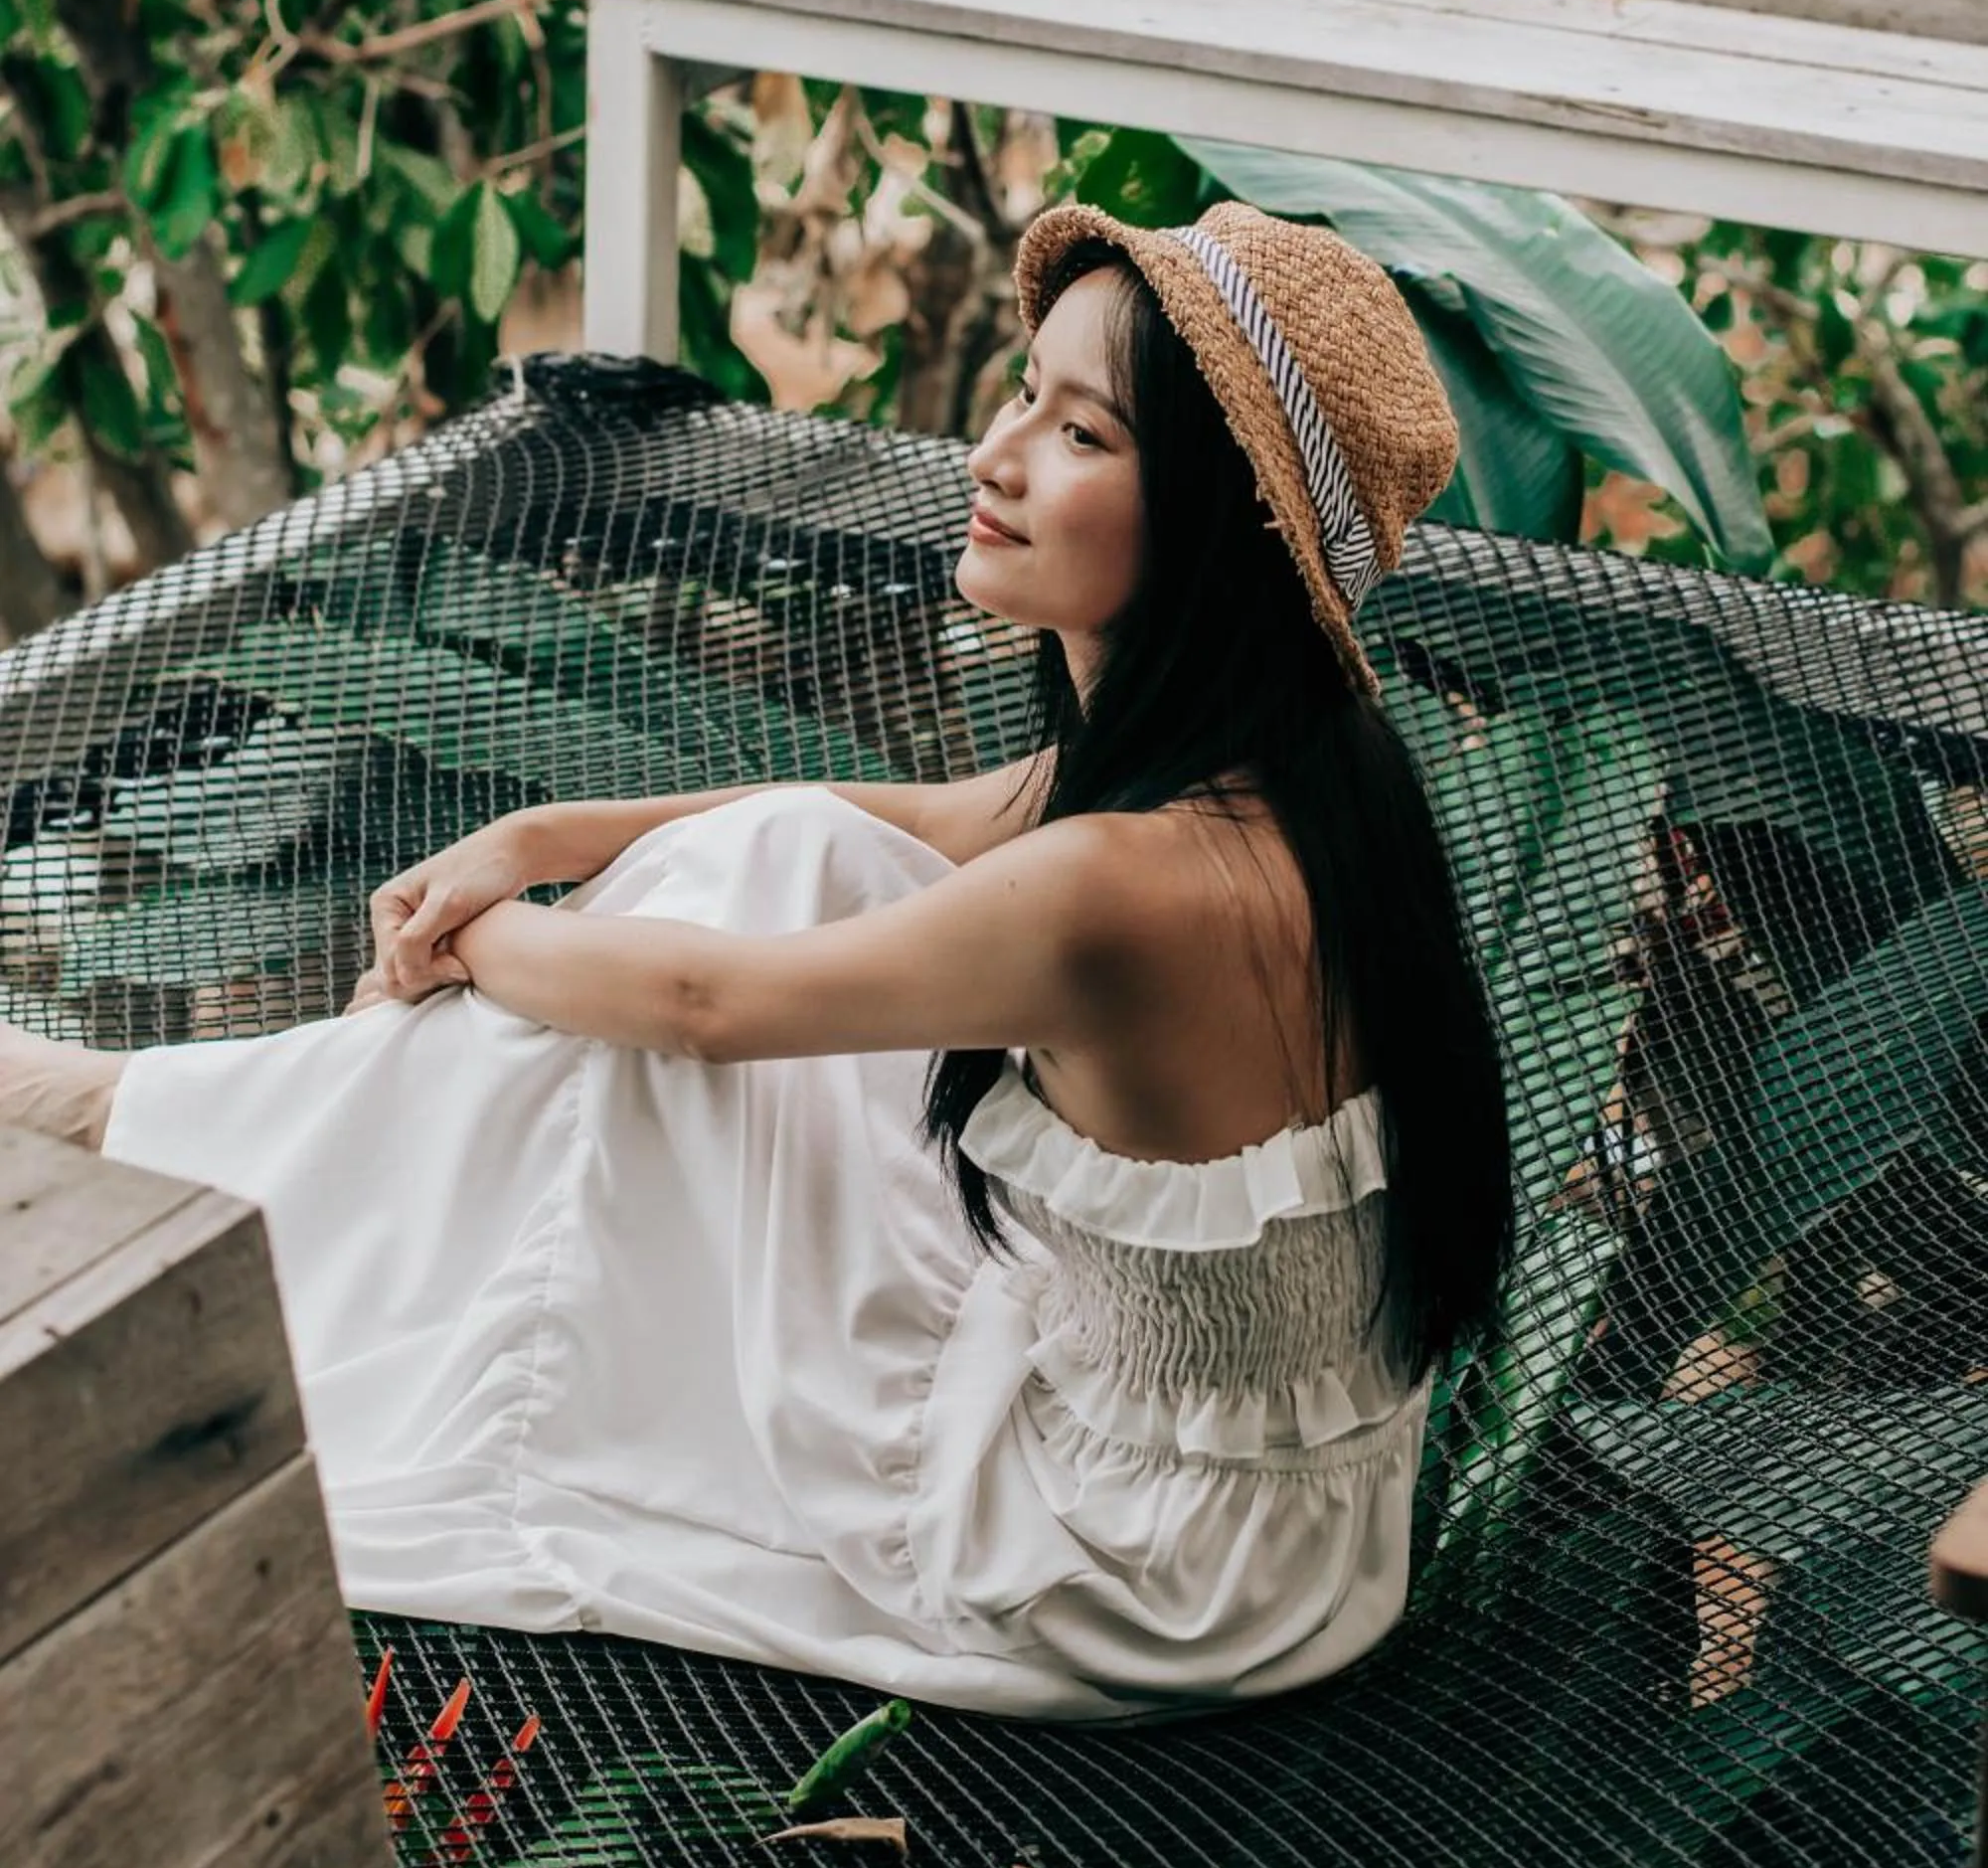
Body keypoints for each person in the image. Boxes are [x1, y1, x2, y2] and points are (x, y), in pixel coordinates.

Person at [0, 202, 1512, 1719]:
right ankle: (175, 1120)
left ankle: (147, 1129)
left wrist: (474, 943)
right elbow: (911, 816)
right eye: (1023, 396)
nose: (995, 458)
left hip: (1132, 1568)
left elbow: (703, 1009)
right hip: (1291, 1532)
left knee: (611, 1058)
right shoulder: (1291, 768)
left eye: (1083, 438)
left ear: (1217, 531)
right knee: (791, 849)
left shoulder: (1123, 885)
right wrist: (546, 835)